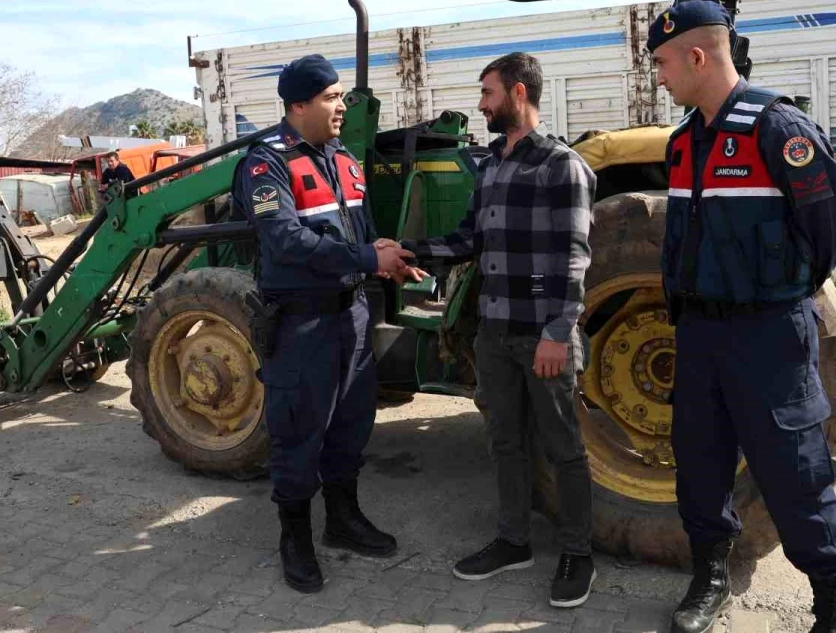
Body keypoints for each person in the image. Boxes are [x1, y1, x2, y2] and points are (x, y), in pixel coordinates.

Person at [649, 0, 836, 633]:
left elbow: (834, 226)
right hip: (700, 335)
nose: (658, 76)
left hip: (768, 334)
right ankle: (709, 576)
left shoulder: (778, 129)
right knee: (700, 462)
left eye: (662, 62)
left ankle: (835, 601)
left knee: (794, 469)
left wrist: (782, 290)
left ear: (697, 55)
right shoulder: (684, 142)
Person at [401, 52, 598, 609]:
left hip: (543, 334)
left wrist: (559, 332)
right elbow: (468, 240)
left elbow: (574, 258)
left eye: (487, 93)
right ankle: (514, 541)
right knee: (505, 441)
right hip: (495, 332)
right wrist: (405, 252)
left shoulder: (561, 165)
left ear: (516, 93)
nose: (481, 105)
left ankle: (577, 553)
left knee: (563, 446)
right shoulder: (491, 164)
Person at [232, 54, 420, 594]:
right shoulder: (266, 163)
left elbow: (360, 231)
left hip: (352, 315)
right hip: (302, 324)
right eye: (332, 97)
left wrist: (388, 257)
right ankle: (295, 540)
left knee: (351, 425)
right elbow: (286, 241)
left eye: (340, 96)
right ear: (298, 106)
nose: (342, 106)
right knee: (297, 434)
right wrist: (366, 260)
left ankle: (343, 520)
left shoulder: (344, 160)